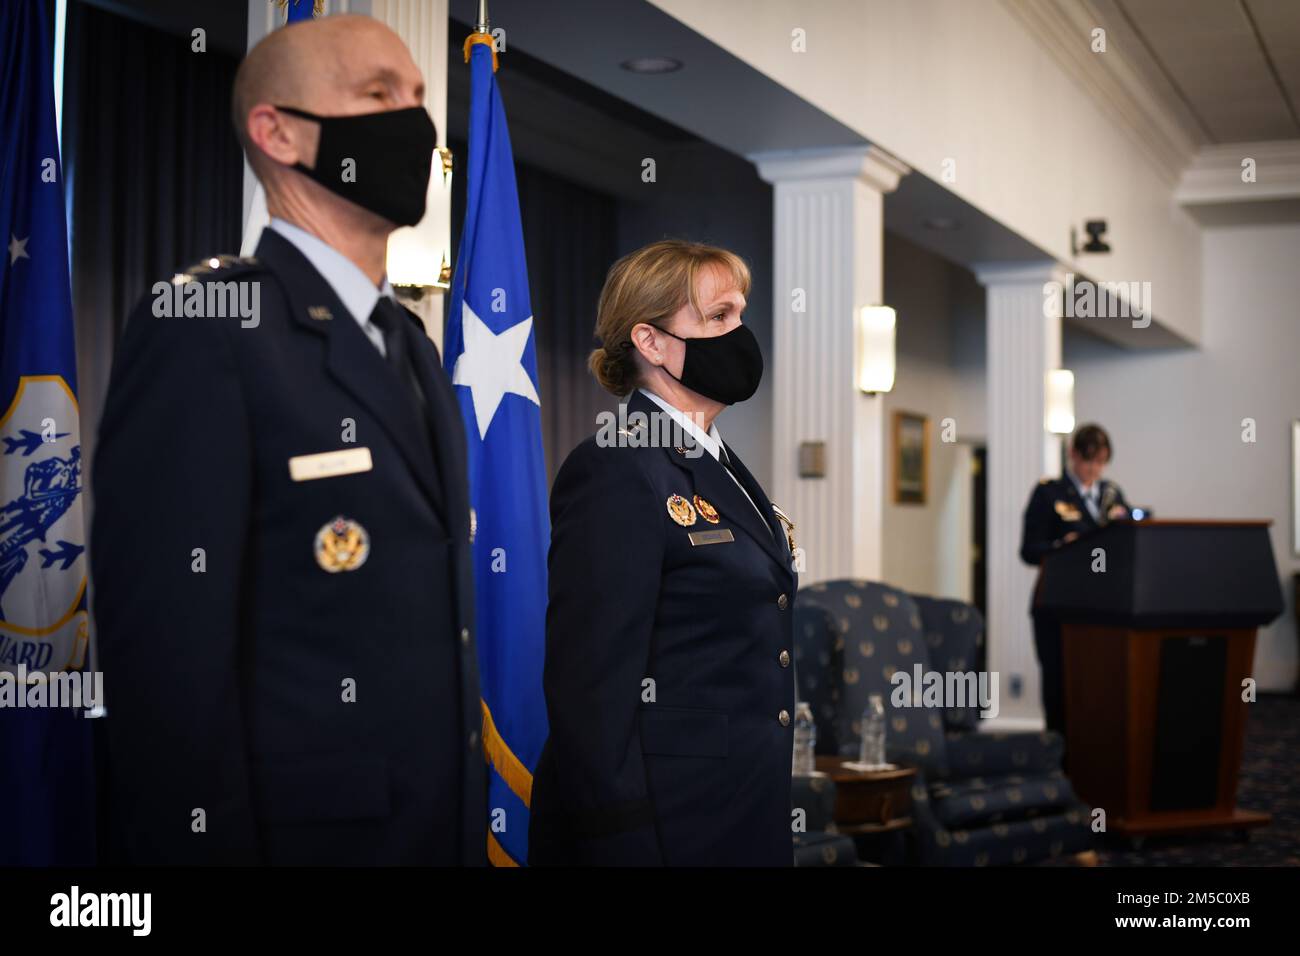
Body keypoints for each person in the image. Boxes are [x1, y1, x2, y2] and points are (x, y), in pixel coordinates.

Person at [91, 15, 484, 865]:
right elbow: (169, 680)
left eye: (418, 97)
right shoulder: (206, 325)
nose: (415, 123)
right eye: (378, 95)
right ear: (277, 133)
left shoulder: (411, 346)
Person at [529, 239, 798, 866]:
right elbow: (591, 690)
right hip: (665, 823)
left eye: (740, 313)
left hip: (738, 809)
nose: (739, 332)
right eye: (717, 317)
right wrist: (620, 839)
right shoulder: (618, 466)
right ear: (650, 343)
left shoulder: (716, 462)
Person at [1019, 423, 1130, 735]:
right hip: (1058, 602)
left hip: (1102, 604)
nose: (1092, 469)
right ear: (1072, 455)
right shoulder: (1048, 493)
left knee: (1097, 682)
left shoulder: (1112, 494)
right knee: (1059, 681)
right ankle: (1058, 754)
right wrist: (1059, 547)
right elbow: (1028, 550)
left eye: (1100, 462)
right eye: (1087, 461)